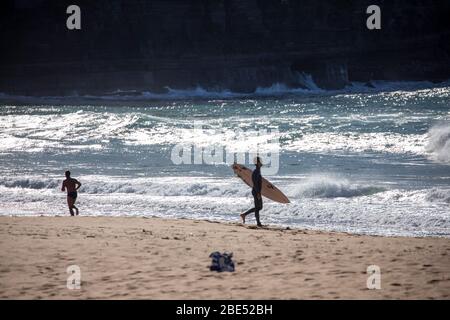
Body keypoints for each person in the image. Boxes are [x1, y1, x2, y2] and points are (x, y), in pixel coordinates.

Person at [240, 157, 263, 227]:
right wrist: (258, 193)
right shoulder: (256, 172)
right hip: (256, 191)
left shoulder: (257, 171)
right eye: (260, 162)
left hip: (257, 191)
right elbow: (255, 183)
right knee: (258, 207)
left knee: (259, 207)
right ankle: (258, 223)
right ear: (258, 163)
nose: (262, 163)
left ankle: (244, 215)